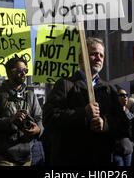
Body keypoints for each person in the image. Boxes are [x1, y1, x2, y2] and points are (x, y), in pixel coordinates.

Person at [42, 37, 129, 166]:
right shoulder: (65, 85)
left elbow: (124, 125)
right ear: (81, 58)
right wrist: (83, 113)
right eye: (94, 54)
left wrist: (105, 124)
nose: (98, 58)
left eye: (101, 55)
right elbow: (49, 118)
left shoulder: (109, 90)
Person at [0, 56, 43, 166]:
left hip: (26, 157)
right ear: (9, 73)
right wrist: (9, 121)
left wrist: (38, 129)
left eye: (25, 70)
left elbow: (39, 118)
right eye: (20, 71)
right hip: (3, 157)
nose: (24, 74)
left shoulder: (30, 95)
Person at [112, 86, 134, 166]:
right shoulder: (113, 112)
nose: (125, 97)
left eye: (126, 95)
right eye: (122, 95)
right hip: (117, 151)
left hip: (128, 150)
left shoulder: (129, 113)